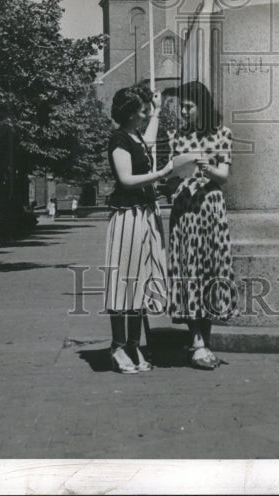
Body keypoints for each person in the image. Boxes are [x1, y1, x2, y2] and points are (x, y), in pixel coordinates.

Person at [167, 80, 237, 370]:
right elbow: (171, 174)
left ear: (202, 106)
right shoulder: (176, 137)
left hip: (210, 208)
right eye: (181, 106)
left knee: (210, 270)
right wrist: (173, 179)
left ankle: (204, 341)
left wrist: (205, 165)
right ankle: (196, 341)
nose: (183, 111)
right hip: (185, 210)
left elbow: (223, 176)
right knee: (190, 271)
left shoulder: (222, 134)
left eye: (188, 106)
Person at [104, 85, 173, 374]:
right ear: (130, 113)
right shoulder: (119, 139)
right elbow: (126, 180)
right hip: (128, 217)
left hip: (144, 215)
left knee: (142, 281)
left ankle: (133, 343)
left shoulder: (134, 137)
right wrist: (163, 173)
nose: (146, 114)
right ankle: (118, 346)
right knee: (125, 281)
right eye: (143, 110)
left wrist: (156, 111)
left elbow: (148, 139)